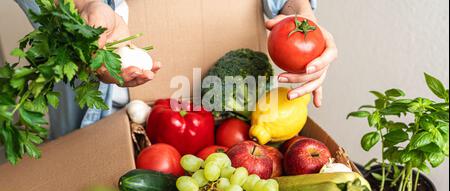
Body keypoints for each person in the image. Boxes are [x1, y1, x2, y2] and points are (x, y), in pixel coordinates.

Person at [14, 0, 337, 140]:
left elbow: (292, 3)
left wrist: (301, 17)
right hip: (102, 108)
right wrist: (85, 8)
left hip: (242, 111)